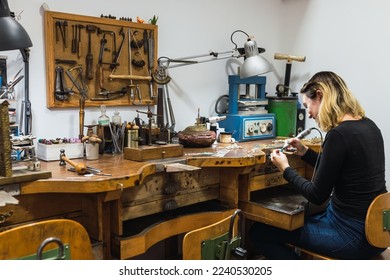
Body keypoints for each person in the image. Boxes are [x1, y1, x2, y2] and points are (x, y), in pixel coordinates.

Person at [249, 71, 387, 259]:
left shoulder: (338, 135)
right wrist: (305, 153)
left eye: (308, 106)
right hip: (378, 232)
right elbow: (341, 169)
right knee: (299, 220)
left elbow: (316, 195)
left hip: (352, 236)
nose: (310, 115)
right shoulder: (369, 126)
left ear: (320, 95)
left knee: (259, 232)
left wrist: (285, 168)